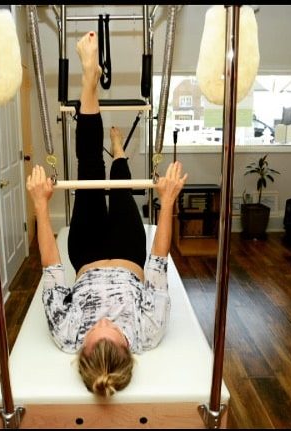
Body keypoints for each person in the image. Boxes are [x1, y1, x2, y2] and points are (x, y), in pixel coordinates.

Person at [26, 31, 187, 397]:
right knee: (122, 191)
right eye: (110, 326)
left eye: (92, 329)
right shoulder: (148, 332)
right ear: (128, 347)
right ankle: (119, 150)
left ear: (80, 351)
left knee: (88, 169)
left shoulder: (67, 336)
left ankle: (89, 83)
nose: (101, 319)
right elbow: (160, 262)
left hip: (85, 251)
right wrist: (167, 203)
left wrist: (40, 206)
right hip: (130, 252)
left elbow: (51, 269)